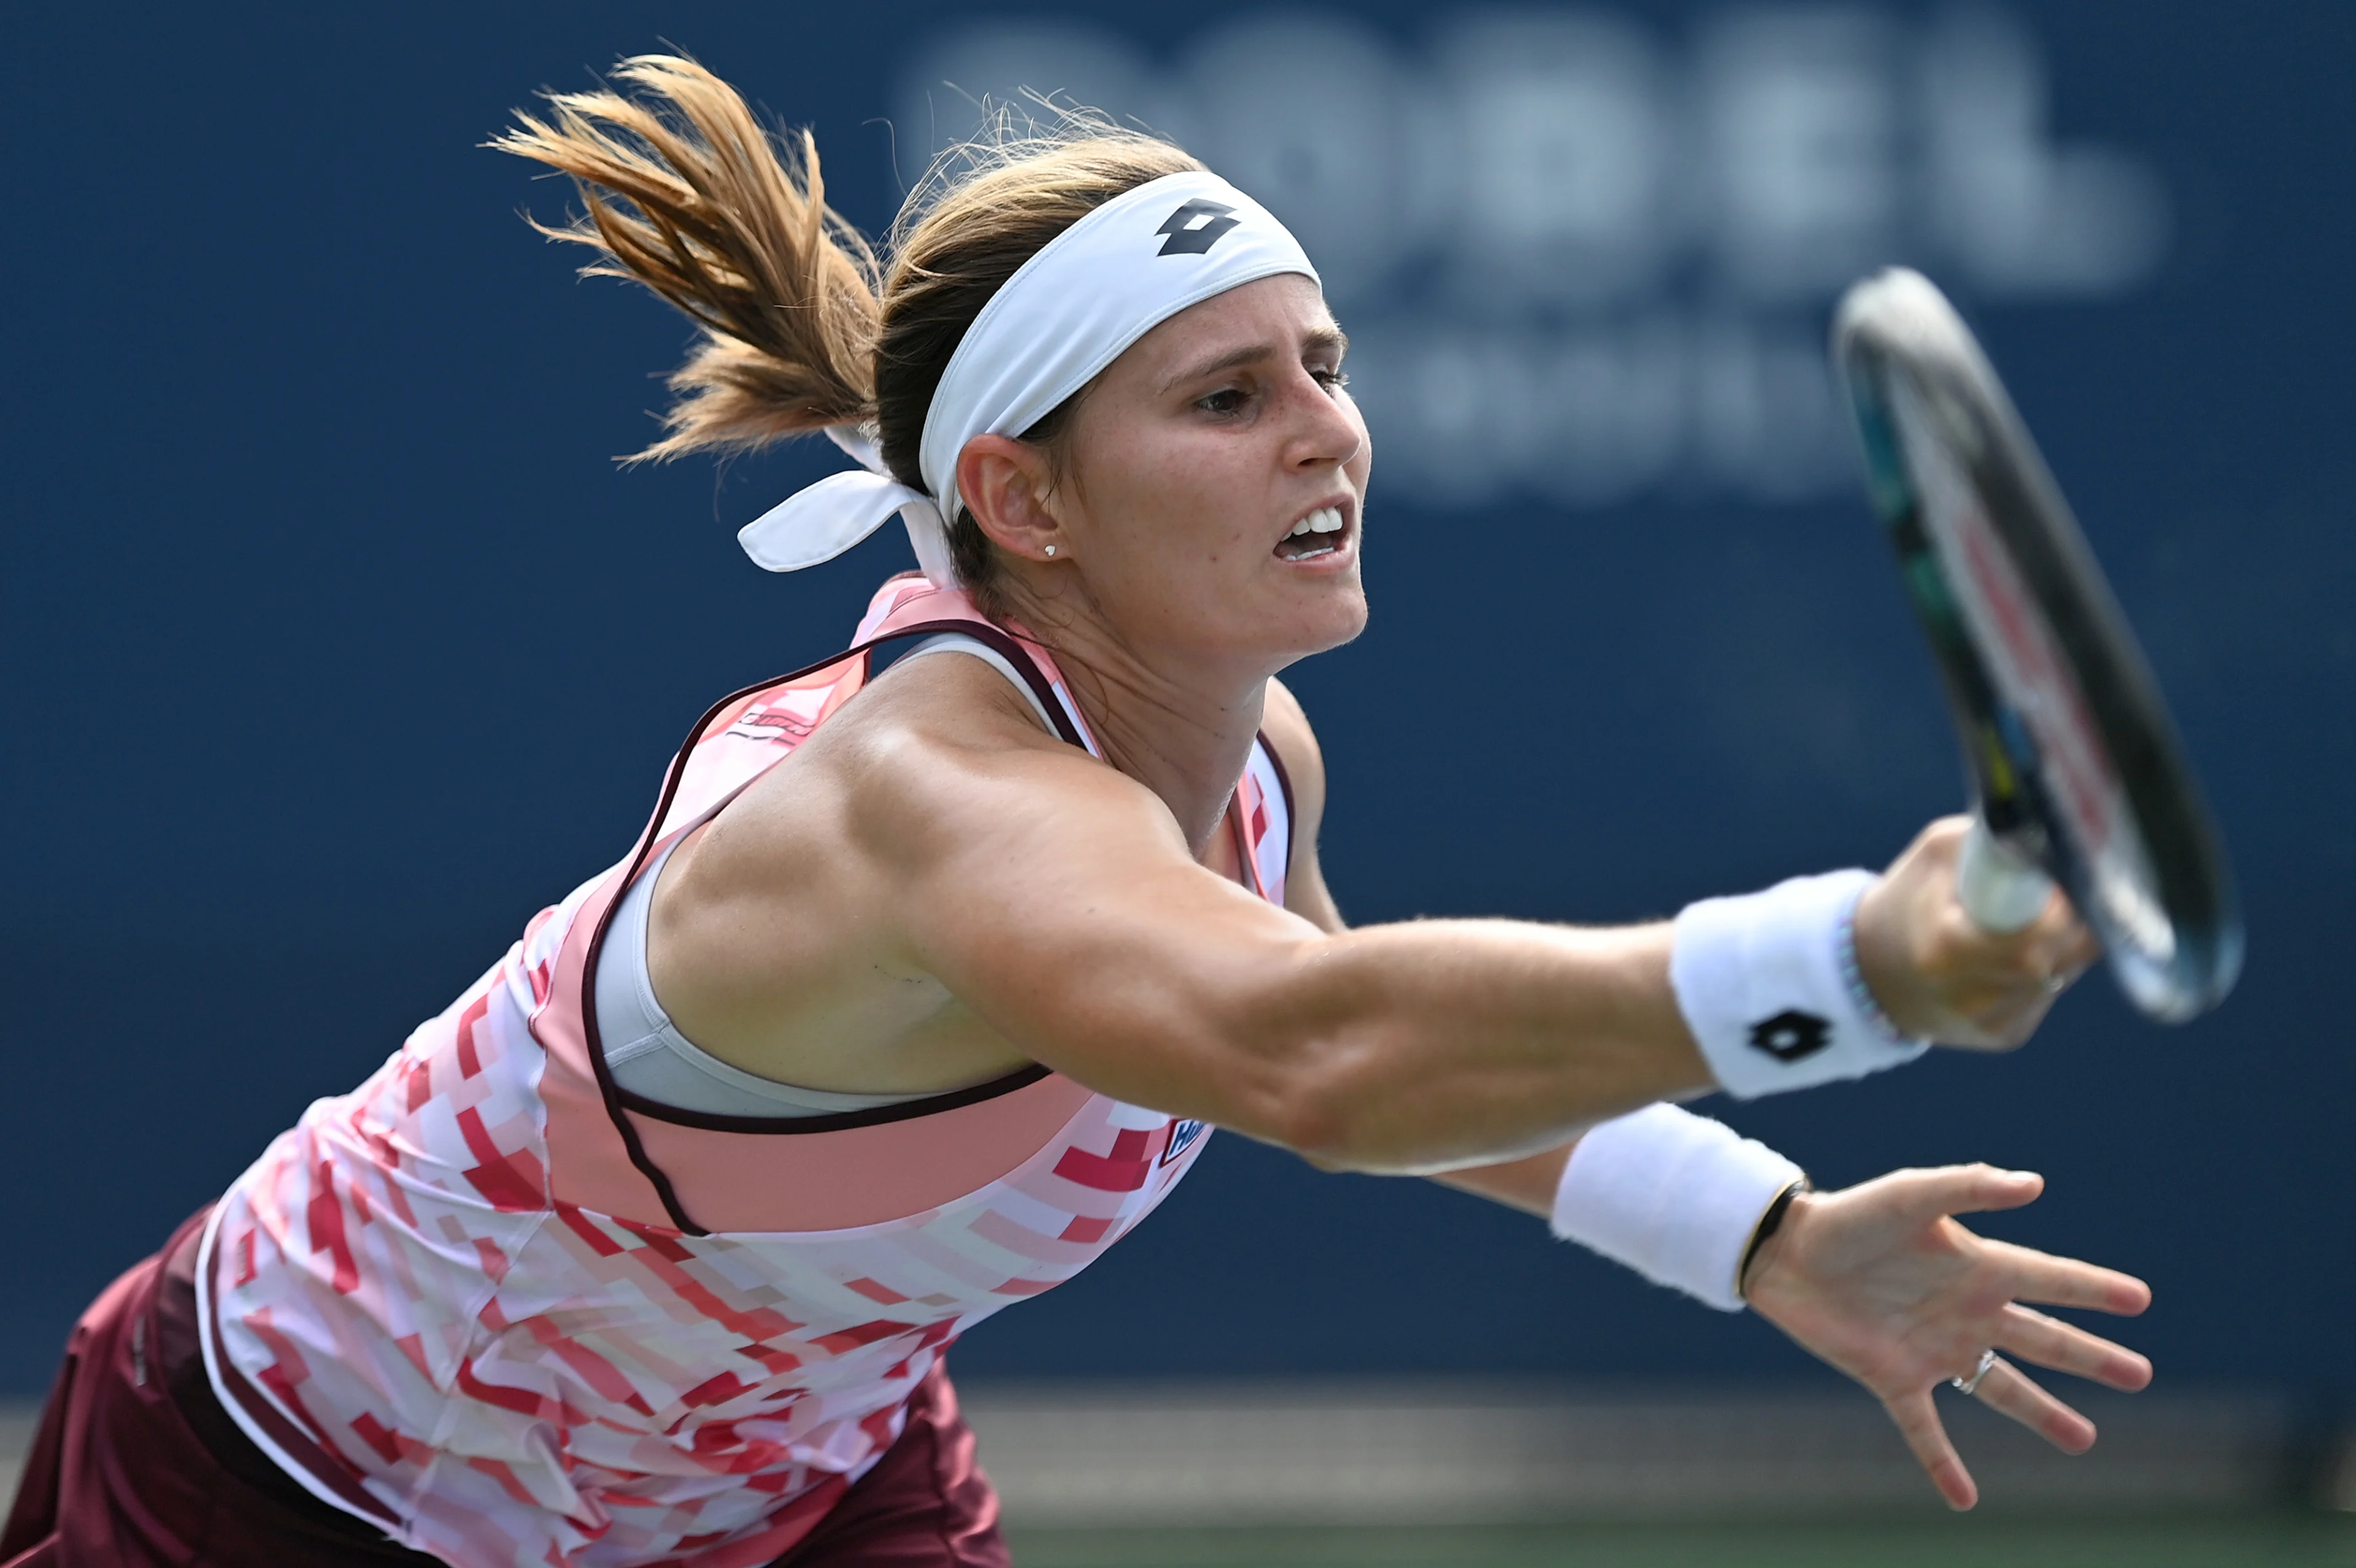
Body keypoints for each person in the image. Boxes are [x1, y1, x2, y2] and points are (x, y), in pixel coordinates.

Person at [0, 55, 2151, 1568]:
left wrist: (1756, 1230)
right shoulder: (941, 811)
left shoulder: (1242, 771)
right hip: (295, 1486)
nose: (1330, 433)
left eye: (1323, 363)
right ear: (1022, 497)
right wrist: (1862, 968)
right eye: (1227, 398)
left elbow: (1361, 1024)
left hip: (792, 1471)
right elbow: (1317, 1057)